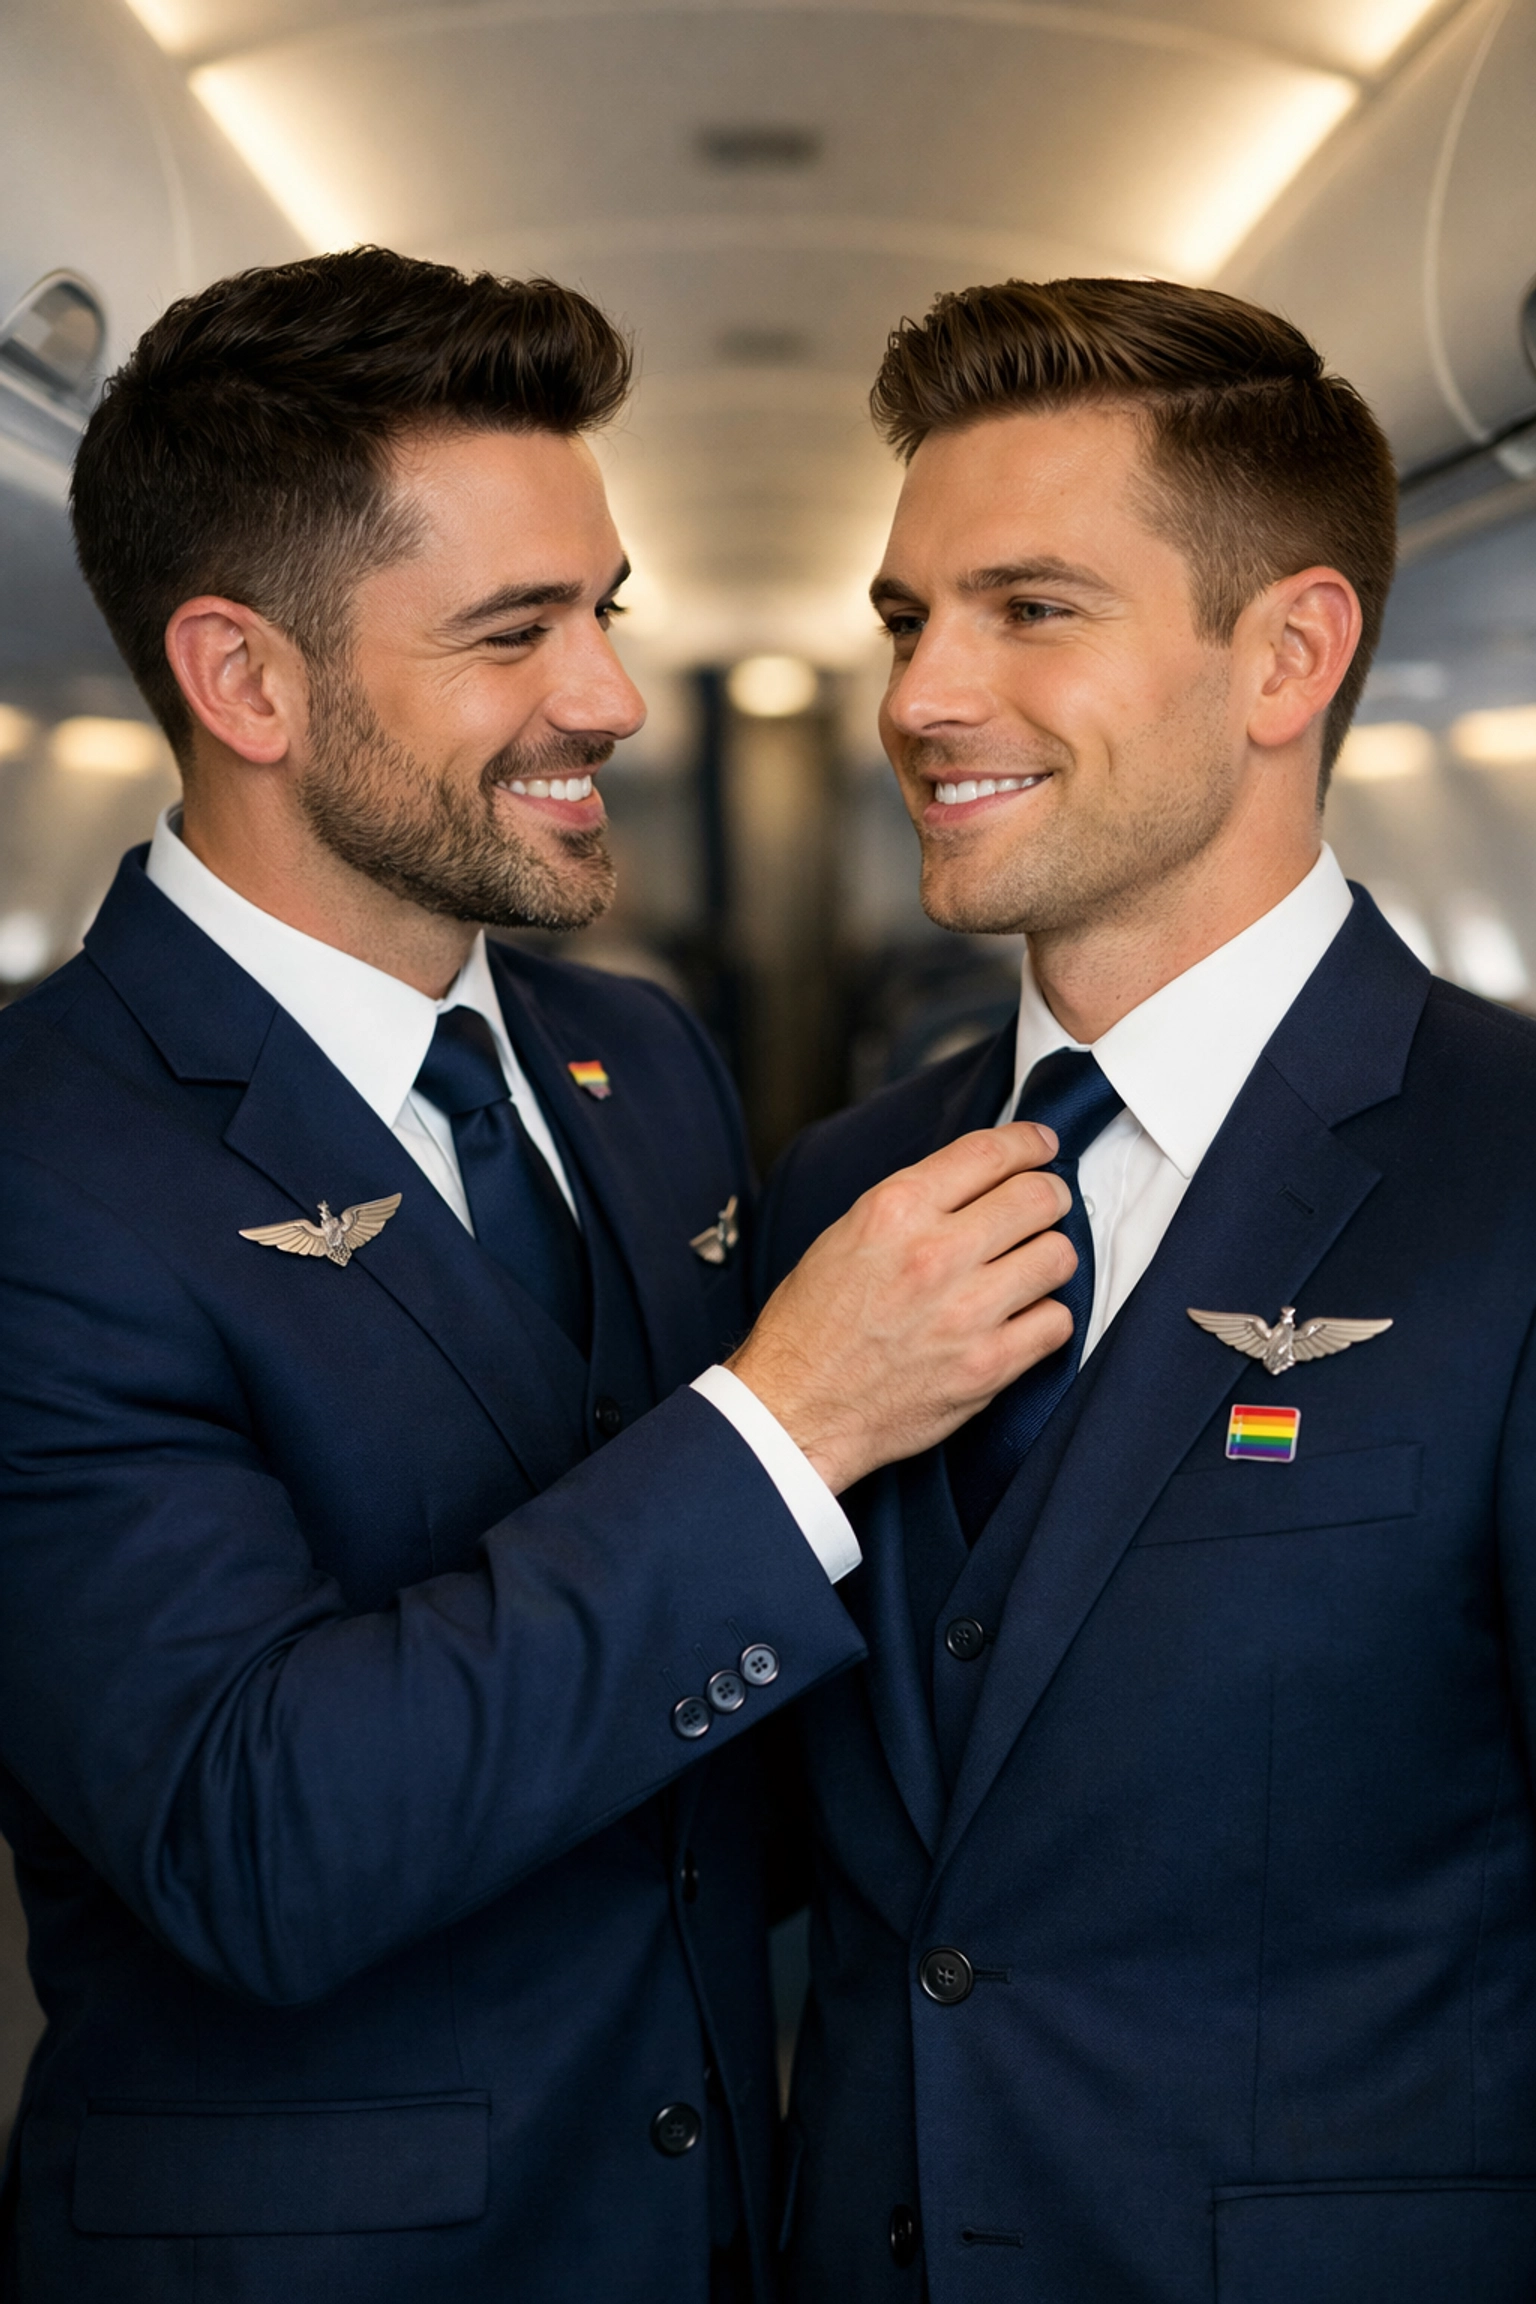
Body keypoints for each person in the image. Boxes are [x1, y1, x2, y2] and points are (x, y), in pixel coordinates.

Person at [0, 250, 1075, 2304]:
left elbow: (726, 1726)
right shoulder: (48, 1159)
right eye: (515, 633)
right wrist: (793, 1419)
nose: (605, 697)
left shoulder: (631, 1058)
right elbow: (258, 1837)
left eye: (604, 611)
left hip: (703, 2229)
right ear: (246, 681)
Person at [757, 275, 1536, 2303]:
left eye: (1031, 610)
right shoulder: (845, 1194)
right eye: (908, 620)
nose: (922, 698)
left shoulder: (1514, 1170)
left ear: (1287, 655)